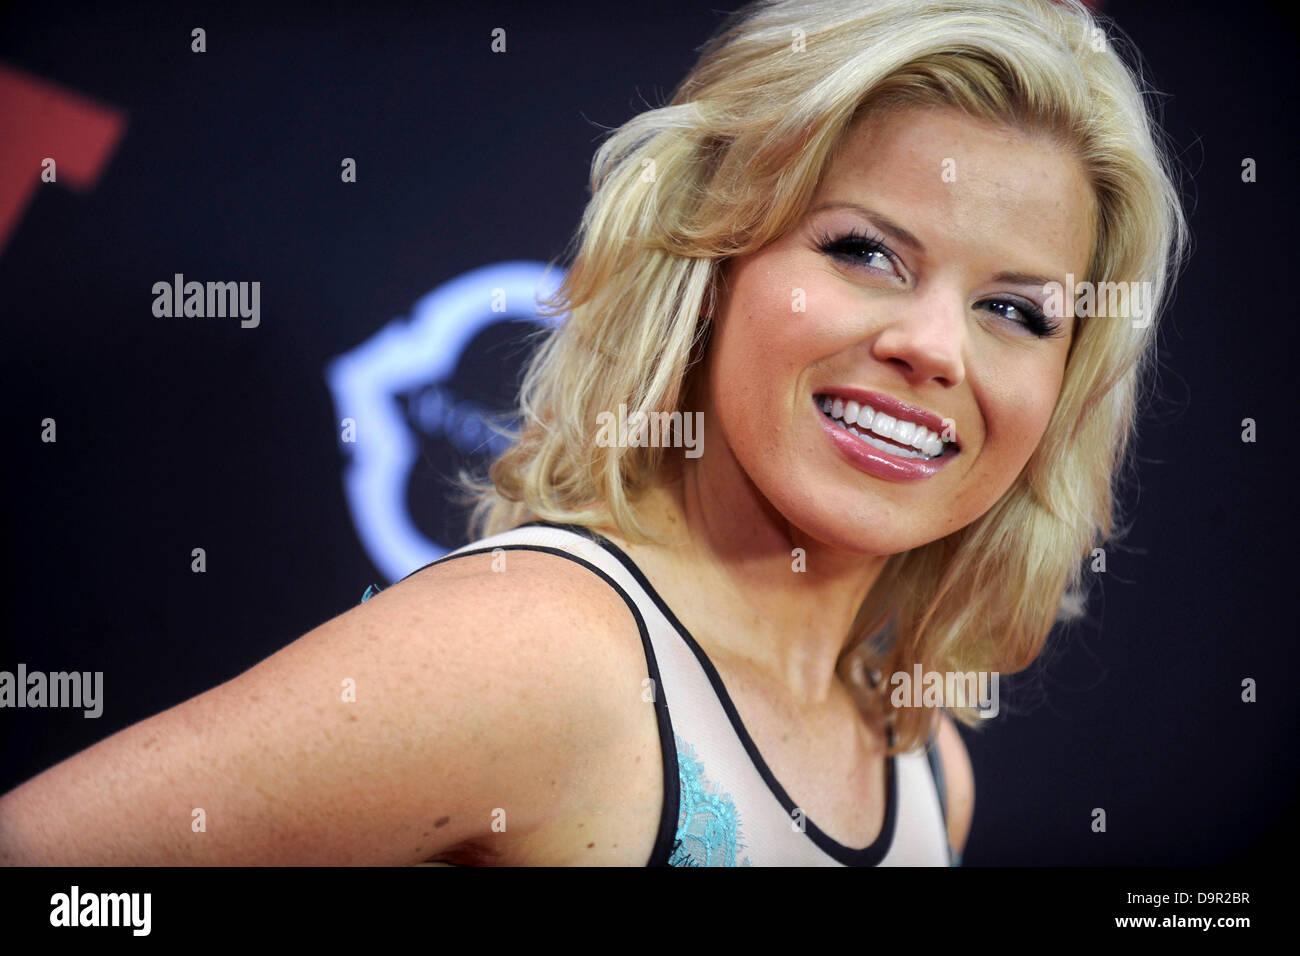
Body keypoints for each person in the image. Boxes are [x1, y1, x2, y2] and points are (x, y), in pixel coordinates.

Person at [0, 0, 1187, 866]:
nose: (935, 346)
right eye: (864, 251)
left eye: (1016, 310)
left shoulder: (925, 767)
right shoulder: (535, 652)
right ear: (712, 264)